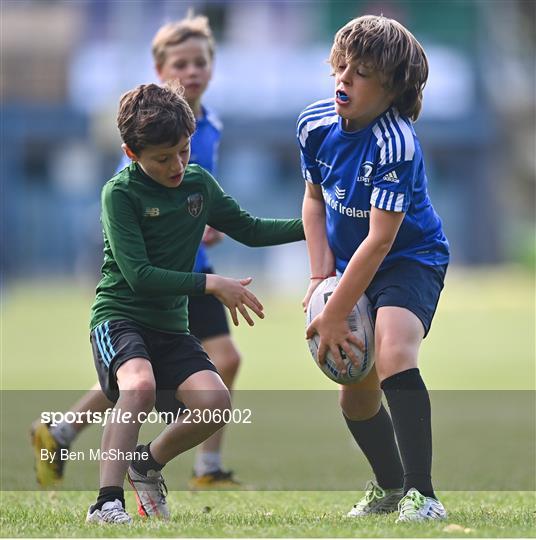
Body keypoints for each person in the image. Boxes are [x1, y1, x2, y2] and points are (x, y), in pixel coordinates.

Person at [31, 13, 244, 489]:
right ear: (159, 67)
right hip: (155, 274)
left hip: (193, 265)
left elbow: (200, 198)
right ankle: (166, 473)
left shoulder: (209, 126)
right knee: (140, 373)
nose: (192, 72)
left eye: (201, 62)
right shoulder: (147, 127)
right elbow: (136, 200)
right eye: (181, 63)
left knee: (165, 370)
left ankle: (66, 430)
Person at [84, 82, 303, 524]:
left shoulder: (199, 184)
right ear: (131, 154)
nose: (177, 165)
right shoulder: (119, 194)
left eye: (183, 151)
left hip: (170, 327)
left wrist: (320, 227)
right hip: (120, 318)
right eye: (162, 158)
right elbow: (140, 278)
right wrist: (212, 285)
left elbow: (253, 228)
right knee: (140, 387)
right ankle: (106, 502)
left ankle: (146, 463)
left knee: (216, 402)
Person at [298, 15, 449, 522]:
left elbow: (382, 239)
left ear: (392, 89)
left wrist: (336, 311)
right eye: (341, 66)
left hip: (409, 258)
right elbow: (314, 201)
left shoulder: (395, 144)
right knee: (355, 400)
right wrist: (321, 276)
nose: (344, 79)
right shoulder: (313, 125)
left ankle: (422, 495)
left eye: (360, 73)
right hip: (350, 263)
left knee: (392, 351)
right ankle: (388, 488)